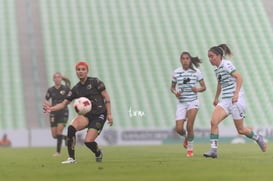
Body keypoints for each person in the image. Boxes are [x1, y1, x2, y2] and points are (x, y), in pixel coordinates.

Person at [203, 44, 266, 158]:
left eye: (211, 56)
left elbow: (239, 77)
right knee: (213, 122)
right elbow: (220, 84)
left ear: (218, 56)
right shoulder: (217, 70)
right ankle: (213, 150)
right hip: (225, 101)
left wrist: (236, 93)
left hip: (236, 100)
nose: (210, 59)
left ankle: (257, 138)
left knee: (241, 130)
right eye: (208, 57)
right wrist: (216, 98)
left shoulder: (227, 64)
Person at [43, 61, 113, 164]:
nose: (80, 71)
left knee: (88, 142)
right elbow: (63, 104)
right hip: (86, 115)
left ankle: (98, 152)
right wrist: (51, 108)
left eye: (83, 69)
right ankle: (72, 158)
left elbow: (106, 97)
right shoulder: (76, 89)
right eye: (78, 69)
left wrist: (109, 114)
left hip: (99, 114)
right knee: (71, 128)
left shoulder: (95, 82)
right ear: (76, 72)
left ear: (87, 71)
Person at [170, 52, 206, 157]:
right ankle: (186, 136)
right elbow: (172, 87)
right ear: (180, 60)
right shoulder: (176, 72)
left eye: (187, 58)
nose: (185, 60)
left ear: (190, 60)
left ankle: (190, 150)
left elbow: (204, 87)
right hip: (181, 102)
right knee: (179, 129)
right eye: (183, 58)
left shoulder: (196, 72)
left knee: (190, 126)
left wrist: (197, 89)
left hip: (193, 101)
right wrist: (175, 92)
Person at [44, 72, 71, 156]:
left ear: (61, 79)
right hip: (53, 112)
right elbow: (46, 99)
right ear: (53, 79)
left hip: (63, 112)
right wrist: (48, 105)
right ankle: (66, 138)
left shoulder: (65, 88)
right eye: (55, 77)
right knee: (54, 135)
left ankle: (58, 152)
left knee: (59, 132)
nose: (57, 79)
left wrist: (65, 79)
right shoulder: (50, 90)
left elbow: (69, 87)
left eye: (59, 77)